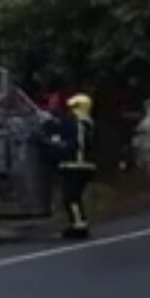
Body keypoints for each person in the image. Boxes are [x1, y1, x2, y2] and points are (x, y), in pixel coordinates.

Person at [59, 93, 96, 239]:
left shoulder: (77, 122)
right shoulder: (89, 122)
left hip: (76, 165)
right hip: (85, 165)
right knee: (74, 197)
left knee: (71, 197)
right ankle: (78, 223)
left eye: (72, 106)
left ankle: (79, 225)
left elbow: (74, 144)